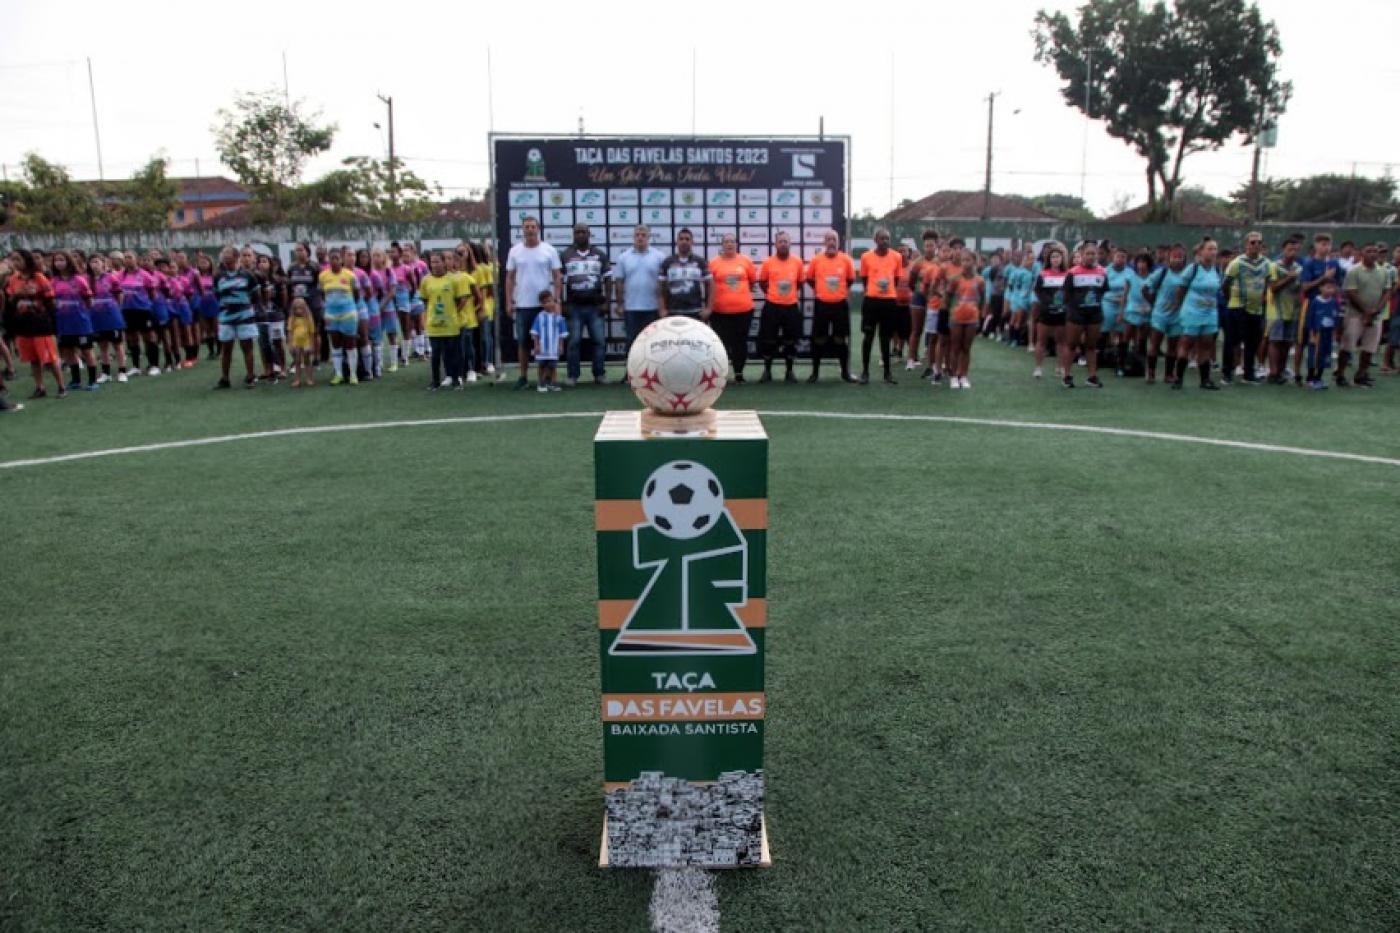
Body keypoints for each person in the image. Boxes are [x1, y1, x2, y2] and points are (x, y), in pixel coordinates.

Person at [504, 217, 562, 390]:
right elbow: (509, 278)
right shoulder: (514, 251)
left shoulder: (549, 250)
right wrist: (508, 301)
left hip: (544, 306)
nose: (530, 229)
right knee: (523, 342)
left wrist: (557, 300)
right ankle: (523, 377)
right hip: (523, 304)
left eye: (532, 226)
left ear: (538, 229)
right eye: (527, 227)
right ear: (522, 230)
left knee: (546, 342)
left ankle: (546, 378)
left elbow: (557, 276)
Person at [5, 249, 65, 399]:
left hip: (40, 322)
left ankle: (61, 387)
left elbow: (50, 300)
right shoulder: (13, 279)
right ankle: (40, 387)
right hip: (23, 322)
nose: (15, 263)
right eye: (13, 260)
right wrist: (17, 295)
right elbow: (10, 301)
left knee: (50, 358)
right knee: (33, 359)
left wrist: (36, 295)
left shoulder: (39, 277)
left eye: (18, 259)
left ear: (26, 260)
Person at [560, 222, 610, 387]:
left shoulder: (599, 254)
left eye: (583, 232)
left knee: (599, 341)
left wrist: (607, 302)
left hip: (595, 306)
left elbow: (608, 279)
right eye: (577, 232)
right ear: (573, 235)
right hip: (574, 306)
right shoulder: (566, 254)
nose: (580, 235)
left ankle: (599, 374)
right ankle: (573, 375)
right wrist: (561, 303)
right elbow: (559, 281)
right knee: (573, 342)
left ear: (589, 234)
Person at [805, 229, 858, 383]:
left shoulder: (846, 260)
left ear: (838, 242)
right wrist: (822, 291)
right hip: (822, 304)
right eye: (828, 239)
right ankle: (815, 373)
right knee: (818, 339)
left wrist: (838, 292)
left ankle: (845, 373)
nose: (831, 242)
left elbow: (850, 280)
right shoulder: (816, 260)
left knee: (840, 339)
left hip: (840, 305)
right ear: (824, 242)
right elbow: (810, 280)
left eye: (834, 239)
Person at [1335, 242, 1390, 387]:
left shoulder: (1383, 271)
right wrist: (1366, 311)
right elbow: (1350, 292)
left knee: (1369, 347)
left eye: (1375, 251)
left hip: (1375, 316)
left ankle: (1361, 375)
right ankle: (1340, 374)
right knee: (1347, 346)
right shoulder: (1354, 271)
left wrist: (1376, 310)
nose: (1373, 254)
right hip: (1355, 315)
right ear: (1362, 253)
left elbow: (1387, 292)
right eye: (1369, 251)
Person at [1172, 238, 1222, 390]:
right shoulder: (1192, 269)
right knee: (1187, 343)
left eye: (1215, 249)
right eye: (1210, 249)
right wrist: (1181, 306)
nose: (1213, 252)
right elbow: (1181, 289)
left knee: (1206, 343)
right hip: (1192, 311)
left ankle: (1205, 380)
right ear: (1201, 251)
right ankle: (1178, 378)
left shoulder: (1217, 270)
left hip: (1210, 312)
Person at [1220, 233, 1270, 384]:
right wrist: (1232, 299)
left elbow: (1268, 281)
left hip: (1257, 309)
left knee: (1253, 342)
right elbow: (1225, 284)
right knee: (1232, 341)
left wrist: (1263, 296)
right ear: (1246, 245)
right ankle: (1227, 373)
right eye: (1253, 242)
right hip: (1238, 308)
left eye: (1259, 242)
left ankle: (1248, 374)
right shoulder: (1237, 263)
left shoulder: (1266, 263)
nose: (1256, 245)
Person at [708, 233, 758, 383]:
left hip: (743, 311)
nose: (729, 244)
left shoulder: (746, 261)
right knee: (721, 344)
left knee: (740, 343)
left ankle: (738, 373)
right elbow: (709, 285)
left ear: (736, 244)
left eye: (732, 241)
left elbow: (752, 282)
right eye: (726, 242)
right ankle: (721, 375)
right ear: (722, 245)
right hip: (719, 312)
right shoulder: (714, 263)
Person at [612, 225, 664, 365]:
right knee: (632, 341)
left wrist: (662, 306)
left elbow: (663, 283)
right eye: (637, 235)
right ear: (633, 237)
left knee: (653, 343)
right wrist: (620, 304)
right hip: (631, 308)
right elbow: (619, 282)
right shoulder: (624, 257)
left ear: (649, 237)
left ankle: (652, 372)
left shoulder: (659, 256)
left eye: (643, 235)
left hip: (652, 308)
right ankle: (631, 372)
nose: (640, 237)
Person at [857, 227, 903, 385]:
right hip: (871, 302)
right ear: (875, 240)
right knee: (868, 337)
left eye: (887, 238)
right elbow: (864, 279)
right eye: (882, 238)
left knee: (885, 338)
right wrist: (873, 292)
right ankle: (865, 372)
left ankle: (887, 373)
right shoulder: (866, 257)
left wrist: (887, 293)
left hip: (889, 302)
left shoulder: (897, 257)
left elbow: (896, 280)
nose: (885, 241)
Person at [212, 245, 262, 389]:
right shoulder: (218, 276)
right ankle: (225, 379)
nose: (224, 256)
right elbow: (217, 295)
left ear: (235, 256)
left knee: (247, 348)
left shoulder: (248, 275)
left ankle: (250, 377)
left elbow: (256, 295)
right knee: (226, 349)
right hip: (226, 318)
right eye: (223, 253)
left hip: (245, 317)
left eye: (228, 253)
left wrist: (245, 307)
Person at [757, 232, 804, 383]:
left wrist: (788, 295)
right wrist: (774, 295)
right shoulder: (768, 262)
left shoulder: (797, 262)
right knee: (768, 340)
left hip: (791, 307)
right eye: (780, 241)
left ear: (790, 244)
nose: (783, 244)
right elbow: (762, 282)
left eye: (786, 241)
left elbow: (799, 283)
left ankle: (789, 371)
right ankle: (767, 371)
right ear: (775, 244)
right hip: (772, 307)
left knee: (790, 341)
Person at [50, 250, 100, 392]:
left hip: (80, 322)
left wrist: (82, 312)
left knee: (87, 351)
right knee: (68, 352)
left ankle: (93, 380)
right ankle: (76, 380)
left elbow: (89, 300)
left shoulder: (79, 280)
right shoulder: (53, 281)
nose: (59, 263)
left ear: (68, 262)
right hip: (63, 323)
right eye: (56, 260)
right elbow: (51, 300)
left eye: (62, 260)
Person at [419, 250, 469, 390]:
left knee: (453, 353)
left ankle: (456, 379)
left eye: (437, 262)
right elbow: (425, 300)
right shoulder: (426, 280)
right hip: (434, 325)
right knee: (435, 354)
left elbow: (462, 299)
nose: (434, 265)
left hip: (450, 324)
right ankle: (435, 381)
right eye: (432, 262)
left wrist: (452, 312)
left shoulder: (453, 279)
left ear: (444, 263)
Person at [1297, 233, 1342, 385]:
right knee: (1307, 342)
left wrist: (1334, 295)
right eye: (1323, 244)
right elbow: (1305, 287)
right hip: (1312, 306)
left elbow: (1338, 285)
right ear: (1316, 245)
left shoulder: (1334, 263)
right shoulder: (1309, 263)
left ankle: (1319, 376)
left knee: (1326, 345)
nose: (1326, 247)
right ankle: (1302, 374)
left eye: (1328, 244)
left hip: (1329, 308)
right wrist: (1324, 278)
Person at [1143, 243, 1189, 386]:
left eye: (1180, 257)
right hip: (1160, 314)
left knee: (1172, 346)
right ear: (1169, 258)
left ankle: (1168, 374)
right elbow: (1145, 288)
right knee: (1154, 344)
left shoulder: (1188, 274)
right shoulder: (1162, 273)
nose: (1177, 260)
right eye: (1175, 256)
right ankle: (1151, 372)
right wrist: (1153, 303)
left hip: (1177, 316)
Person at [1063, 241, 1107, 389]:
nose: (1090, 256)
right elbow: (1067, 294)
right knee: (1071, 345)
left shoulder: (1102, 272)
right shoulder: (1072, 272)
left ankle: (1092, 377)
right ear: (1082, 255)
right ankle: (1067, 376)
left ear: (1097, 255)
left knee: (1091, 346)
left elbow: (1102, 291)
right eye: (1088, 253)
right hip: (1076, 314)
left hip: (1094, 314)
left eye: (1093, 254)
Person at [942, 249, 984, 389]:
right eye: (963, 260)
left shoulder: (979, 280)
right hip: (956, 318)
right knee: (955, 347)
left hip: (972, 318)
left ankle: (963, 375)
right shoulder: (955, 279)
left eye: (968, 260)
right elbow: (947, 297)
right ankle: (954, 376)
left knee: (966, 348)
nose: (965, 263)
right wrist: (946, 313)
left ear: (974, 262)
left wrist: (981, 315)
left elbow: (983, 299)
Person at [1265, 237, 1303, 384]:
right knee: (1275, 340)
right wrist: (1288, 277)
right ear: (1283, 249)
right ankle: (1273, 372)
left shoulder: (1299, 268)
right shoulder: (1274, 266)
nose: (1292, 252)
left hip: (1293, 310)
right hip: (1276, 309)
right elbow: (1273, 287)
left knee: (1287, 342)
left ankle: (1281, 371)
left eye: (1295, 249)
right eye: (1289, 249)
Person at [117, 251, 160, 377]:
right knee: (132, 338)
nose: (127, 259)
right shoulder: (120, 275)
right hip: (127, 310)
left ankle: (154, 365)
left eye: (130, 257)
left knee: (149, 337)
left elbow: (152, 294)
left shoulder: (144, 275)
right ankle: (136, 366)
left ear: (136, 259)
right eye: (125, 257)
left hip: (143, 310)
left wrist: (144, 303)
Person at [87, 253, 129, 383]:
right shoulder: (88, 280)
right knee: (102, 345)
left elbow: (119, 294)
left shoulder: (111, 278)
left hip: (112, 317)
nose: (94, 265)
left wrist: (115, 308)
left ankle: (122, 371)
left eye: (97, 262)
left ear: (103, 263)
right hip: (97, 317)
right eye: (92, 262)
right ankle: (106, 373)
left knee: (117, 345)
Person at [1031, 243, 1068, 381]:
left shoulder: (1067, 274)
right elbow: (1038, 291)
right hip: (1046, 312)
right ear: (1049, 259)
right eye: (1053, 257)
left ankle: (1060, 367)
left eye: (1058, 256)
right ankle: (1038, 368)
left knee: (1061, 341)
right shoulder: (1043, 274)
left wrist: (1062, 302)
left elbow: (1069, 292)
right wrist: (1049, 302)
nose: (1055, 259)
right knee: (1041, 341)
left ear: (1062, 259)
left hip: (1062, 312)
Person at [659, 227, 711, 322]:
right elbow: (660, 288)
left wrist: (708, 308)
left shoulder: (700, 262)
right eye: (681, 239)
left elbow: (710, 286)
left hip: (696, 312)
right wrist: (662, 309)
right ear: (677, 242)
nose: (684, 241)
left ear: (692, 242)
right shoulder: (667, 262)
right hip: (672, 312)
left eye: (687, 239)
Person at [285, 243, 322, 369]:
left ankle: (316, 358)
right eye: (297, 250)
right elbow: (289, 285)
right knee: (297, 331)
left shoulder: (315, 267)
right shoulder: (291, 267)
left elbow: (319, 285)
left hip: (312, 303)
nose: (299, 252)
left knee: (314, 331)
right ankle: (297, 359)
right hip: (297, 305)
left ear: (307, 251)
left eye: (301, 250)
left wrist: (317, 300)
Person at [905, 231, 938, 369]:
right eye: (927, 246)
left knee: (934, 332)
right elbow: (911, 282)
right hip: (919, 298)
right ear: (923, 247)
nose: (929, 248)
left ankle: (933, 361)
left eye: (931, 245)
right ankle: (911, 360)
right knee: (916, 330)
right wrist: (919, 292)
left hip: (935, 300)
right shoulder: (918, 262)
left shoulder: (940, 262)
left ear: (936, 246)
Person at [1304, 277, 1341, 390]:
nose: (1330, 290)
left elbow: (1336, 318)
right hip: (1317, 333)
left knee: (1325, 356)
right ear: (1320, 288)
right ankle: (1310, 379)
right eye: (1328, 287)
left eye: (1332, 288)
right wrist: (1311, 335)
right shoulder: (1315, 301)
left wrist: (1334, 333)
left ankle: (1318, 378)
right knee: (1314, 356)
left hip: (1328, 334)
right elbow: (1310, 319)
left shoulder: (1334, 302)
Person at [1101, 246, 1132, 377]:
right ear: (1113, 257)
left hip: (1124, 305)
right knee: (1103, 331)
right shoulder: (1105, 271)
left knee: (1123, 334)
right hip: (1107, 303)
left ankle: (1121, 362)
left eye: (1123, 257)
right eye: (1118, 256)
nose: (1120, 259)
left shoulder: (1130, 273)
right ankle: (1100, 359)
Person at [531, 290, 568, 393]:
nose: (549, 304)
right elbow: (535, 333)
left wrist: (561, 346)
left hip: (553, 348)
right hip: (542, 348)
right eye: (545, 302)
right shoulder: (539, 316)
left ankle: (553, 382)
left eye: (550, 301)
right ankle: (541, 383)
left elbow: (562, 334)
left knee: (553, 366)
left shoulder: (558, 318)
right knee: (541, 366)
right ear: (542, 304)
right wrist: (536, 345)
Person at [193, 252, 220, 359]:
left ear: (210, 263)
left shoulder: (215, 276)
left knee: (216, 328)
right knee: (207, 329)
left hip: (214, 303)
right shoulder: (195, 277)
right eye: (201, 262)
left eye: (206, 262)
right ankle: (211, 352)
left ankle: (219, 351)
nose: (203, 263)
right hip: (202, 304)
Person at [287, 298, 317, 388]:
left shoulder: (308, 318)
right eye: (296, 308)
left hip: (306, 343)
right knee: (297, 362)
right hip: (296, 343)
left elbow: (312, 332)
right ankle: (297, 380)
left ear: (305, 308)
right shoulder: (292, 318)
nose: (298, 310)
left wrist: (312, 345)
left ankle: (309, 379)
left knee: (307, 361)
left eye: (300, 308)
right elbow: (290, 332)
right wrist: (290, 344)